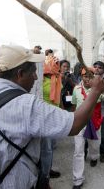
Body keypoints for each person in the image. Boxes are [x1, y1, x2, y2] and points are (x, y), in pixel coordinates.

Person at [0, 44, 104, 189]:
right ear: (20, 74)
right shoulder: (26, 105)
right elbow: (74, 125)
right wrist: (95, 91)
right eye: (33, 72)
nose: (36, 78)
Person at [71, 67, 104, 189]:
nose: (87, 79)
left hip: (94, 122)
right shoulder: (76, 89)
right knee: (78, 151)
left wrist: (101, 90)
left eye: (90, 77)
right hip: (80, 124)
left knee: (94, 144)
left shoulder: (98, 90)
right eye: (85, 76)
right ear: (81, 76)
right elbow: (74, 105)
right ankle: (77, 180)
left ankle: (94, 156)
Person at [38, 49, 62, 189]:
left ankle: (47, 171)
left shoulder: (57, 78)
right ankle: (43, 179)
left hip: (54, 116)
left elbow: (58, 98)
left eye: (57, 63)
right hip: (43, 117)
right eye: (55, 63)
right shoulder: (40, 79)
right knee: (45, 149)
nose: (56, 65)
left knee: (50, 148)